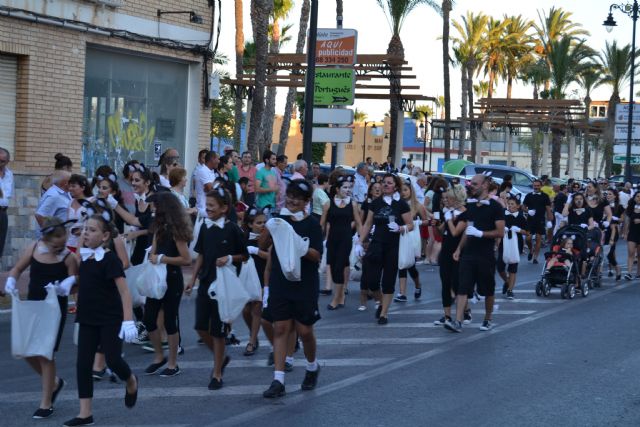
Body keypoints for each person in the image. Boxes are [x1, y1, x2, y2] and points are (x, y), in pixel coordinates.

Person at [64, 212, 138, 427]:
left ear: (105, 236)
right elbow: (86, 280)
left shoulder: (110, 259)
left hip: (110, 318)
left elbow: (124, 292)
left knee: (113, 361)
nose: (86, 233)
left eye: (92, 230)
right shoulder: (84, 257)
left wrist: (128, 320)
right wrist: (70, 283)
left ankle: (131, 380)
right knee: (83, 365)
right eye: (85, 229)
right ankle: (85, 413)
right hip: (87, 317)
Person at [4, 218, 78, 419]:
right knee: (25, 350)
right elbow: (17, 268)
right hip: (33, 306)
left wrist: (66, 286)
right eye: (55, 245)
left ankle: (46, 403)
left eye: (63, 244)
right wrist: (11, 280)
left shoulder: (68, 257)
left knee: (46, 353)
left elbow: (75, 284)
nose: (60, 248)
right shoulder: (35, 248)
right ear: (45, 239)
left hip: (54, 310)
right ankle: (54, 382)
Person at [260, 180, 323, 398]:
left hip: (305, 283)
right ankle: (278, 380)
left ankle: (312, 366)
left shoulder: (313, 225)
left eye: (298, 198)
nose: (292, 201)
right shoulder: (280, 220)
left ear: (306, 202)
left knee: (304, 331)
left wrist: (298, 243)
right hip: (280, 280)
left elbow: (316, 256)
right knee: (280, 328)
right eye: (290, 196)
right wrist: (269, 226)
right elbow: (262, 245)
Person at [185, 188, 248, 390]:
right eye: (207, 205)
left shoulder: (233, 229)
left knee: (218, 332)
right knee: (200, 327)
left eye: (212, 205)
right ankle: (221, 358)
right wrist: (192, 278)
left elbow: (244, 256)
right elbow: (201, 255)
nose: (208, 209)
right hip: (205, 283)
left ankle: (217, 373)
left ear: (224, 208)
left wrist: (229, 258)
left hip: (224, 286)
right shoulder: (205, 227)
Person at [445, 174, 505, 332]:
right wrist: (459, 249)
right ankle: (458, 321)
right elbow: (467, 230)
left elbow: (500, 232)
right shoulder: (470, 206)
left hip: (486, 254)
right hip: (468, 254)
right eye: (471, 183)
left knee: (488, 289)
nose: (471, 186)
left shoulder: (495, 207)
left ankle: (488, 318)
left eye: (475, 184)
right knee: (463, 287)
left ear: (484, 185)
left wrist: (481, 233)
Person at [143, 192, 192, 377]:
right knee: (149, 319)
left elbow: (186, 259)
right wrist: (152, 256)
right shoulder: (159, 227)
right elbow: (153, 253)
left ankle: (173, 363)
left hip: (172, 278)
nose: (152, 208)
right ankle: (158, 356)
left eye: (154, 205)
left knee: (170, 321)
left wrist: (162, 258)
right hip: (157, 278)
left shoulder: (175, 230)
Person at [355, 174, 414, 324]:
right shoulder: (376, 203)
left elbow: (411, 225)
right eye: (384, 182)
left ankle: (384, 313)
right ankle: (381, 302)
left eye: (389, 183)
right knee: (372, 281)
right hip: (376, 245)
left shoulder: (401, 204)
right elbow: (368, 223)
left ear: (396, 186)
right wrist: (359, 242)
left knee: (388, 281)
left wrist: (400, 228)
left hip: (393, 246)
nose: (385, 185)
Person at [321, 174, 362, 310]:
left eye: (349, 187)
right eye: (344, 187)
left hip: (345, 240)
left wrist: (361, 241)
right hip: (332, 240)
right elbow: (322, 224)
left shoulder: (353, 204)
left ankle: (336, 298)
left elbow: (358, 223)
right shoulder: (328, 204)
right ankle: (341, 295)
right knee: (334, 267)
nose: (348, 190)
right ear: (337, 189)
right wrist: (320, 240)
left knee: (339, 268)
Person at [434, 187, 468, 326]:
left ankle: (465, 311)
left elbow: (455, 232)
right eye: (445, 198)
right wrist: (436, 225)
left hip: (459, 252)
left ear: (456, 198)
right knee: (445, 283)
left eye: (448, 198)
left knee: (457, 283)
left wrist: (448, 219)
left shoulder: (465, 213)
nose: (445, 200)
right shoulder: (449, 212)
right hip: (446, 251)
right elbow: (441, 232)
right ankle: (447, 316)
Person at [243, 207, 270, 356]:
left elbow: (272, 257)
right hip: (247, 277)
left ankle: (252, 341)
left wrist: (256, 251)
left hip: (263, 275)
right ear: (250, 224)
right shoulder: (243, 237)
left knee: (257, 308)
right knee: (246, 310)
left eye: (264, 222)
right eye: (259, 223)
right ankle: (253, 334)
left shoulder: (269, 237)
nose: (262, 225)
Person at [395, 180, 427, 302]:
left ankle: (418, 284)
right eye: (401, 190)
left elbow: (426, 221)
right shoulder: (397, 203)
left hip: (413, 238)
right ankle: (402, 293)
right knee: (402, 264)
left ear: (411, 191)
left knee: (411, 266)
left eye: (405, 190)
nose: (403, 193)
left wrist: (418, 222)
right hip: (400, 236)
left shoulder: (418, 205)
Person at [498, 196, 528, 300]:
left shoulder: (520, 217)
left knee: (513, 267)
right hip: (504, 242)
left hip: (516, 243)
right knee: (500, 266)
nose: (510, 206)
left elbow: (528, 232)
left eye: (512, 204)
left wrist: (519, 230)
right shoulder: (503, 214)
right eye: (509, 204)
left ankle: (510, 290)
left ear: (518, 206)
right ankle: (507, 281)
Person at [523, 179, 553, 264]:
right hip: (530, 220)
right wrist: (528, 211)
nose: (536, 187)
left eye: (538, 185)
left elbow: (548, 209)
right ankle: (531, 250)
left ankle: (535, 257)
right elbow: (523, 206)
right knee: (528, 238)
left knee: (538, 238)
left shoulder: (545, 196)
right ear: (533, 186)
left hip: (540, 220)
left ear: (541, 186)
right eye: (534, 185)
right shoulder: (529, 195)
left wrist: (549, 220)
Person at [605, 189, 623, 280]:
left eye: (610, 194)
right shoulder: (603, 205)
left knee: (610, 251)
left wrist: (615, 218)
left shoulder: (619, 206)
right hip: (603, 230)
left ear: (615, 196)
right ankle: (608, 270)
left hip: (613, 230)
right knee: (601, 252)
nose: (608, 195)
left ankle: (616, 268)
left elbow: (622, 220)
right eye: (607, 194)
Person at [194, 151, 220, 216]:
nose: (219, 161)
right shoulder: (202, 171)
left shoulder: (211, 171)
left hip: (210, 209)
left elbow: (214, 189)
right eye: (217, 159)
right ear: (212, 159)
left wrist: (214, 186)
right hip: (203, 209)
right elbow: (211, 190)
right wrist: (216, 185)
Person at [623, 191, 640, 280]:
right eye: (637, 196)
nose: (639, 198)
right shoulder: (631, 208)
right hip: (632, 233)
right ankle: (629, 273)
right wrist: (625, 233)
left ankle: (638, 273)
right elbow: (627, 221)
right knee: (631, 252)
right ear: (634, 198)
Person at [0, 147, 13, 258]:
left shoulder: (9, 174)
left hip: (3, 212)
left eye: (2, 161)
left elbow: (7, 195)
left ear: (8, 161)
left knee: (1, 242)